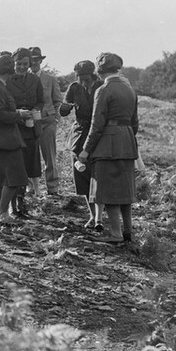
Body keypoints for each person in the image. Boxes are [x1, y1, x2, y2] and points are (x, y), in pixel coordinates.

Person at [78, 53, 139, 244]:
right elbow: (135, 123)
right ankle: (128, 231)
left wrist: (85, 151)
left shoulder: (104, 90)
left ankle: (115, 233)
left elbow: (97, 126)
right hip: (127, 142)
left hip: (108, 145)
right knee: (125, 190)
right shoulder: (130, 89)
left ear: (99, 70)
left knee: (108, 190)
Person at [0, 55, 31, 228]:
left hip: (1, 138)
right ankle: (1, 213)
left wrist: (16, 111)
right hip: (6, 139)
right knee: (16, 177)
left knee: (1, 177)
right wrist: (19, 115)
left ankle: (1, 213)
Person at [59, 60, 104, 229]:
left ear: (93, 75)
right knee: (82, 177)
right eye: (80, 78)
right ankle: (92, 216)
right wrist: (64, 108)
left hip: (97, 134)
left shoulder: (101, 86)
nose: (83, 81)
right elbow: (64, 110)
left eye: (86, 78)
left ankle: (99, 217)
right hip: (79, 134)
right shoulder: (74, 88)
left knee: (98, 176)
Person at [6, 47, 45, 214]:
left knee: (29, 166)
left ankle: (21, 203)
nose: (21, 67)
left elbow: (41, 101)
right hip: (14, 128)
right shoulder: (7, 80)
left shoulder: (35, 80)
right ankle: (12, 205)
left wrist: (35, 110)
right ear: (13, 64)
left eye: (25, 64)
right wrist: (17, 113)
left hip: (30, 129)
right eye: (18, 63)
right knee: (15, 168)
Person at [29, 46, 64, 196]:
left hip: (47, 122)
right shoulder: (23, 79)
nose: (34, 63)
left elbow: (58, 101)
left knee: (49, 155)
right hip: (30, 122)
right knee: (30, 155)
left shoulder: (50, 79)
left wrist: (56, 117)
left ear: (41, 61)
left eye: (37, 60)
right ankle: (31, 187)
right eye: (32, 60)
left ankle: (52, 187)